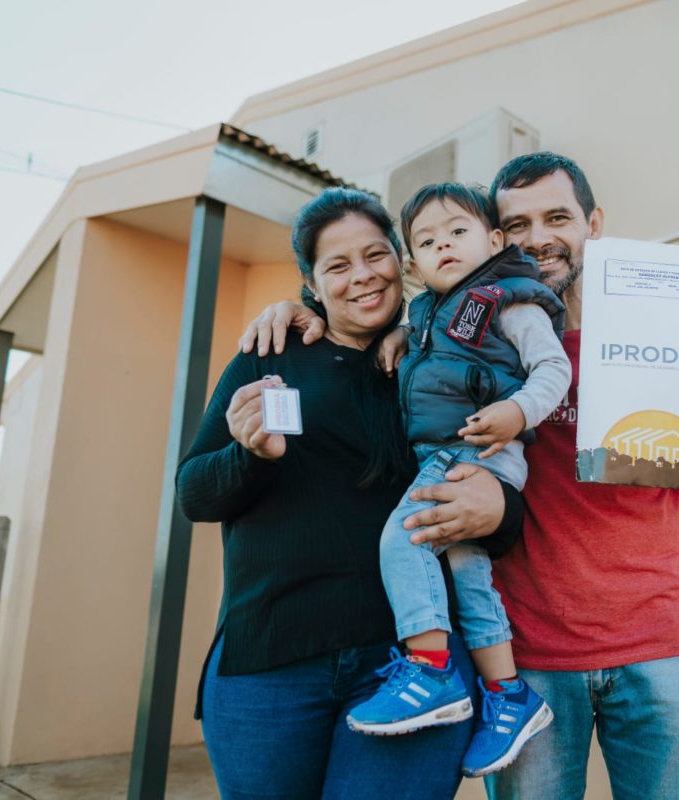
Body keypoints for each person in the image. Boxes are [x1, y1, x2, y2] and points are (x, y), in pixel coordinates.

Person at [239, 153, 679, 800]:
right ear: (494, 237)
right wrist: (301, 315)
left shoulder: (651, 338)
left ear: (593, 225)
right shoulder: (450, 333)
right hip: (524, 655)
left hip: (658, 642)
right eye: (517, 223)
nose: (538, 237)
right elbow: (371, 321)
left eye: (557, 217)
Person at [177, 186, 528, 800]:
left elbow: (501, 481)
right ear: (311, 284)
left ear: (403, 261)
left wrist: (500, 512)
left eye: (375, 255)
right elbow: (195, 497)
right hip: (270, 664)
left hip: (414, 670)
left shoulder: (440, 359)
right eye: (337, 265)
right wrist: (249, 454)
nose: (361, 276)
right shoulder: (272, 355)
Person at [343, 183, 571, 779]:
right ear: (414, 264)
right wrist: (398, 337)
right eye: (427, 240)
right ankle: (508, 694)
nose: (444, 245)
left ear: (494, 241)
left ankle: (430, 668)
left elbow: (553, 367)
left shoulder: (511, 301)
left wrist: (519, 411)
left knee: (406, 537)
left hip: (477, 448)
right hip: (446, 454)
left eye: (458, 232)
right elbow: (434, 347)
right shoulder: (426, 314)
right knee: (469, 577)